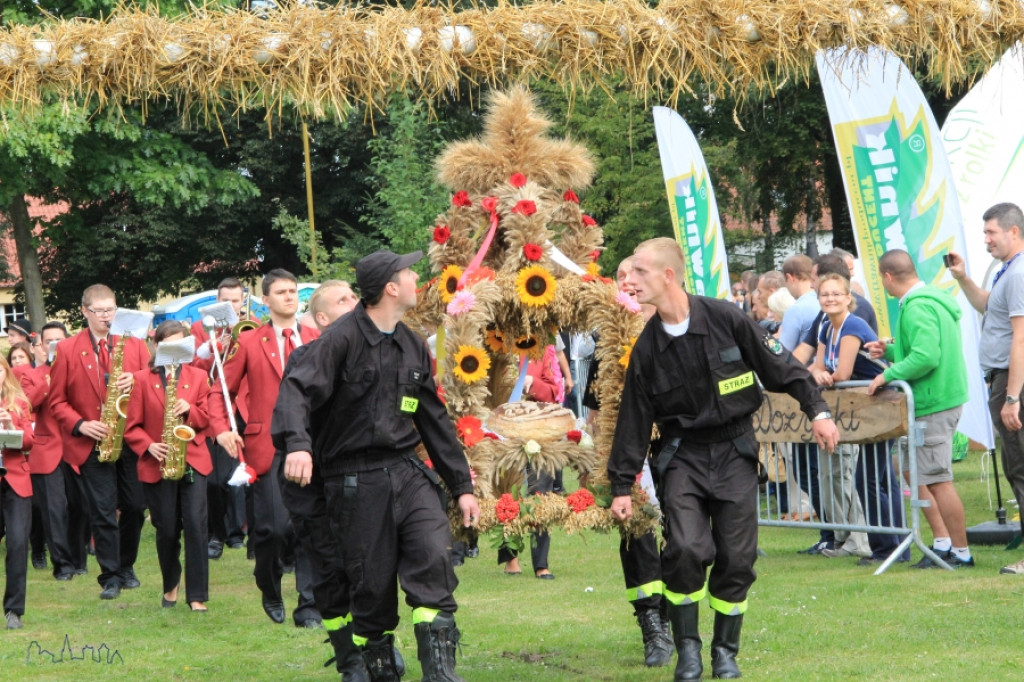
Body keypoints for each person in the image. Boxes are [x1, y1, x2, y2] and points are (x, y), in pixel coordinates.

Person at [608, 237, 839, 681]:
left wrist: (819, 410)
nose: (629, 281)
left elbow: (782, 367)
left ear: (667, 276)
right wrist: (621, 486)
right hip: (682, 457)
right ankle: (689, 652)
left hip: (735, 451)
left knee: (737, 557)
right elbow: (633, 422)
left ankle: (724, 651)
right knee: (687, 550)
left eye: (639, 272)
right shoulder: (646, 350)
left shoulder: (726, 317)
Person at [275, 249, 479, 681]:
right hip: (353, 479)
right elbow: (295, 390)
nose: (416, 277)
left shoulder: (411, 343)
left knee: (433, 556)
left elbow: (433, 420)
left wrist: (461, 486)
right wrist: (297, 445)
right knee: (372, 588)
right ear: (390, 287)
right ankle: (379, 669)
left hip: (407, 471)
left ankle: (440, 674)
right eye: (409, 273)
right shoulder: (340, 340)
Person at [272, 279, 379, 679]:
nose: (354, 303)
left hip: (362, 478)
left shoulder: (379, 351)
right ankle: (348, 655)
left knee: (369, 566)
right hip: (312, 479)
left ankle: (374, 647)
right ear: (321, 318)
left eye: (355, 295)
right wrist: (300, 448)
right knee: (331, 567)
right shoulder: (306, 355)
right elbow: (292, 411)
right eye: (343, 299)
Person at [210, 269, 322, 626]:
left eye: (293, 291)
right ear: (266, 300)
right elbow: (219, 392)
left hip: (314, 444)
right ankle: (269, 586)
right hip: (267, 446)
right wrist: (221, 430)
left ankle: (309, 605)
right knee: (273, 529)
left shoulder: (318, 339)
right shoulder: (248, 342)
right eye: (282, 292)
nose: (290, 297)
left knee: (311, 527)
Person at [586, 255, 674, 668]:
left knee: (682, 537)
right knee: (637, 536)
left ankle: (675, 614)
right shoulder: (610, 339)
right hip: (629, 452)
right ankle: (651, 624)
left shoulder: (679, 329)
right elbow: (595, 405)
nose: (628, 282)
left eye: (636, 274)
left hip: (676, 449)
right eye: (621, 276)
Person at [866, 249, 973, 568]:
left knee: (939, 479)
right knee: (914, 470)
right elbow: (920, 350)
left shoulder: (916, 306)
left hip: (934, 402)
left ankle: (961, 552)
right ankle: (943, 544)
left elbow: (927, 357)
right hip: (937, 399)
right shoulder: (929, 299)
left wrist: (887, 373)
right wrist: (891, 350)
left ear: (888, 277)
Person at [49, 284, 151, 600]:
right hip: (93, 442)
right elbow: (57, 401)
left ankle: (126, 565)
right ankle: (110, 576)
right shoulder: (67, 349)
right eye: (100, 311)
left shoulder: (134, 345)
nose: (107, 317)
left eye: (111, 310)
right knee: (103, 510)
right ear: (84, 311)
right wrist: (81, 424)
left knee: (134, 506)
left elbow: (152, 384)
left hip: (130, 437)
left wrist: (137, 378)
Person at [947, 202, 1024, 574]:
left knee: (1021, 467)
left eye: (991, 232)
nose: (986, 240)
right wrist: (962, 277)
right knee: (1017, 467)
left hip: (1013, 383)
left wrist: (1012, 397)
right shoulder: (1007, 272)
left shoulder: (1020, 273)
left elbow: (1021, 340)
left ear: (1013, 231)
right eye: (984, 233)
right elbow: (987, 308)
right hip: (1004, 380)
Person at [124, 321, 213, 611]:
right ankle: (171, 586)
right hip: (158, 462)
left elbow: (209, 419)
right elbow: (131, 427)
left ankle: (197, 596)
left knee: (197, 529)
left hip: (193, 460)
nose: (175, 350)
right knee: (167, 530)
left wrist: (191, 411)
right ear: (158, 346)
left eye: (181, 345)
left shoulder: (199, 376)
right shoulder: (140, 378)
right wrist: (148, 445)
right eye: (169, 344)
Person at [806, 274, 875, 561]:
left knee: (845, 471)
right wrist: (818, 373)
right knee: (829, 473)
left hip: (866, 408)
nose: (830, 299)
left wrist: (824, 375)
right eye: (825, 294)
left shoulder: (854, 325)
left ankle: (859, 538)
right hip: (840, 405)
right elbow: (816, 365)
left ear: (848, 298)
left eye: (837, 294)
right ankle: (842, 536)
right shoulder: (825, 326)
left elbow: (843, 373)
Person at [16, 322, 81, 582]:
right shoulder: (28, 373)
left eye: (59, 340)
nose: (53, 344)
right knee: (54, 511)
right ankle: (62, 565)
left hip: (78, 446)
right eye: (49, 341)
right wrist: (49, 379)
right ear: (40, 346)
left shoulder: (79, 371)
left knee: (81, 508)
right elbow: (27, 403)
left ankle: (78, 559)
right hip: (47, 449)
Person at [192, 277, 251, 561]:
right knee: (215, 479)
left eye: (236, 300)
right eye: (225, 300)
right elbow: (193, 369)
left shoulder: (252, 327)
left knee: (239, 476)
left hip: (243, 408)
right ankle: (216, 533)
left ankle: (237, 532)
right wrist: (212, 347)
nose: (230, 305)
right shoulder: (199, 329)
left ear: (243, 302)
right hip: (213, 408)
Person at [0, 353, 36, 629]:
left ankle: (14, 610)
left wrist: (10, 426)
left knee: (17, 544)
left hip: (14, 480)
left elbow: (28, 442)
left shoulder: (19, 403)